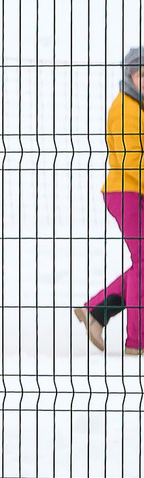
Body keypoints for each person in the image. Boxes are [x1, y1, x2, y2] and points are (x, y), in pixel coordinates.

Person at [78, 48, 144, 353]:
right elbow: (133, 160)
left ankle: (96, 312)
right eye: (141, 74)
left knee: (142, 263)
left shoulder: (139, 107)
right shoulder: (125, 108)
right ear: (129, 76)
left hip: (135, 190)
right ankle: (137, 341)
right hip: (127, 191)